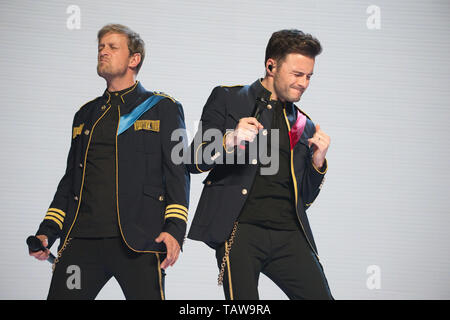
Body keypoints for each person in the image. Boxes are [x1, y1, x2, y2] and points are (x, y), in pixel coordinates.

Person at [29, 24, 190, 300]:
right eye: (101, 47)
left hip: (139, 241)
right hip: (82, 241)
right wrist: (47, 233)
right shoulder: (84, 115)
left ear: (134, 59)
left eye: (112, 47)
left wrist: (174, 229)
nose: (103, 51)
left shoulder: (163, 108)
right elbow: (70, 181)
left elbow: (178, 174)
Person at [186, 29, 332, 300]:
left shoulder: (304, 124)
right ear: (271, 66)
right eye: (297, 74)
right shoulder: (229, 98)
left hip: (290, 233)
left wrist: (317, 162)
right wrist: (229, 141)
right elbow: (194, 160)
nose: (304, 83)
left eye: (309, 76)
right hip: (240, 229)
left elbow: (305, 199)